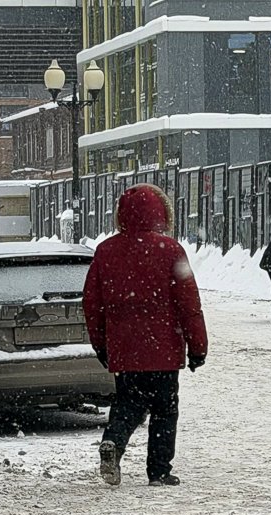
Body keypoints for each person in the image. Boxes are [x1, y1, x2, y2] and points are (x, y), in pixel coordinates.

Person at [83, 184, 208, 487]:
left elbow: (92, 304)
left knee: (127, 403)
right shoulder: (171, 250)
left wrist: (101, 344)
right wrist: (198, 347)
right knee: (165, 410)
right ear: (162, 212)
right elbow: (189, 304)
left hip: (125, 349)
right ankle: (159, 471)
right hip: (164, 349)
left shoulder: (106, 251)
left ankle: (113, 441)